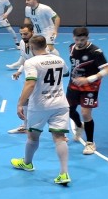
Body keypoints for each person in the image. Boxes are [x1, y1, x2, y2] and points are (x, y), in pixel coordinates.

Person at [10, 35, 71, 185]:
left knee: (33, 137)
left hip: (40, 106)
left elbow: (30, 84)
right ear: (45, 45)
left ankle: (27, 163)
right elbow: (65, 73)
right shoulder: (59, 59)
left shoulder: (31, 62)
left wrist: (20, 103)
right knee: (59, 138)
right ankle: (64, 173)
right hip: (60, 104)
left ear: (31, 47)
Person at [67, 27, 108, 155]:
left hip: (90, 86)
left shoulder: (95, 52)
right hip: (74, 84)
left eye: (82, 40)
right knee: (68, 110)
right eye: (77, 39)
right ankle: (79, 125)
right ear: (73, 37)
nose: (79, 42)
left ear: (87, 38)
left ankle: (90, 143)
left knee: (85, 113)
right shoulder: (71, 47)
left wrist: (88, 79)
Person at [7, 0, 61, 70]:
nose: (26, 2)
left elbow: (57, 18)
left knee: (49, 47)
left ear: (35, 0)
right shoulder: (27, 8)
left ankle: (59, 62)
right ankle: (20, 63)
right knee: (26, 45)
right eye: (26, 0)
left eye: (28, 0)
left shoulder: (45, 8)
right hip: (36, 31)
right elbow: (27, 19)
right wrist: (26, 29)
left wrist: (55, 30)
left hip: (48, 30)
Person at [7, 23, 36, 134]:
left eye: (26, 34)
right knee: (25, 100)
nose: (23, 36)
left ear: (32, 32)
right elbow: (25, 59)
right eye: (21, 34)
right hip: (30, 76)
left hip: (39, 78)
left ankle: (60, 134)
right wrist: (19, 71)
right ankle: (26, 126)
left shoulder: (39, 45)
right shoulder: (22, 43)